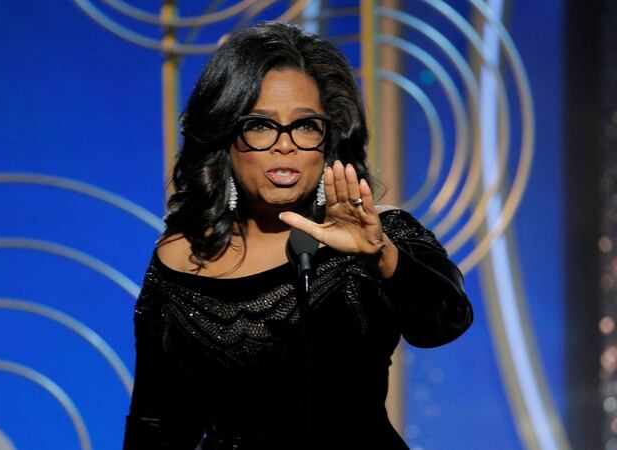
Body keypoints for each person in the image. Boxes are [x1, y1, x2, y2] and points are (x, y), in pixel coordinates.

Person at [123, 21, 473, 449]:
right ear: (225, 139)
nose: (284, 145)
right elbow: (156, 421)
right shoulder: (181, 257)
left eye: (306, 125)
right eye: (260, 125)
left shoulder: (382, 233)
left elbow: (444, 322)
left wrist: (380, 254)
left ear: (329, 141)